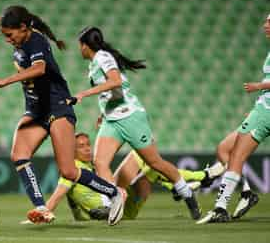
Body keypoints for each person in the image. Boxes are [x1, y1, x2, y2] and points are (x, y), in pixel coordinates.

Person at [0, 6, 125, 225]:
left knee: (69, 171)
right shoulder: (20, 33)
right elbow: (12, 16)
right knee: (19, 154)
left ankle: (114, 193)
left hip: (57, 106)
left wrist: (6, 80)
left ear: (23, 28)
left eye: (10, 35)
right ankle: (41, 208)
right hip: (35, 109)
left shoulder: (36, 42)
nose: (8, 40)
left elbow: (39, 69)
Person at [74, 26, 201, 220]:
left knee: (155, 162)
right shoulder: (93, 63)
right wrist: (103, 111)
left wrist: (84, 93)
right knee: (100, 163)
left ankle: (187, 193)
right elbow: (111, 91)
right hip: (112, 120)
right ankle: (111, 204)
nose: (78, 49)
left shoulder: (103, 57)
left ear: (85, 46)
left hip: (130, 117)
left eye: (79, 45)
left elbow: (115, 82)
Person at [22, 132, 209, 223]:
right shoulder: (74, 170)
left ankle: (181, 186)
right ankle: (197, 178)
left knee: (147, 168)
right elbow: (56, 196)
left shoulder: (92, 165)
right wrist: (41, 214)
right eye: (81, 146)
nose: (87, 148)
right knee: (142, 156)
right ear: (71, 151)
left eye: (88, 144)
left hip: (123, 206)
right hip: (105, 214)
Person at [197, 13, 270, 224]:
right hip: (262, 109)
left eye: (269, 21)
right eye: (265, 20)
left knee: (236, 156)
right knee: (224, 149)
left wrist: (259, 86)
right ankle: (247, 194)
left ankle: (221, 208)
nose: (265, 24)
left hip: (266, 111)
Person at [202, 131, 259, 220]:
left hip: (261, 119)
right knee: (224, 150)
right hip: (259, 119)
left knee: (227, 152)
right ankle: (246, 193)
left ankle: (223, 208)